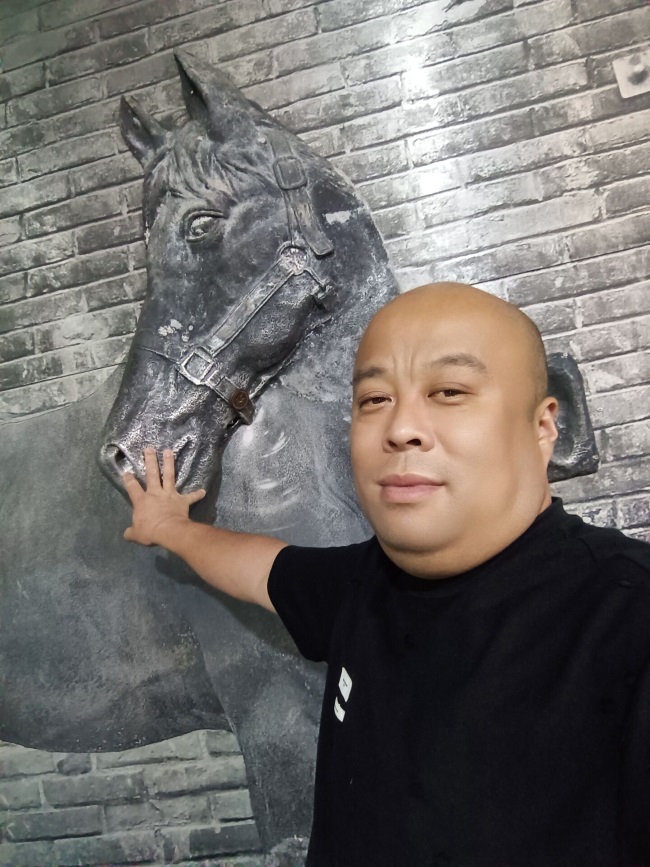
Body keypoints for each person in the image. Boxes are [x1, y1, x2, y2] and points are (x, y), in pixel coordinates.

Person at [123, 282, 650, 867]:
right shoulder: (362, 586)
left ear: (543, 427)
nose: (400, 428)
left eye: (448, 391)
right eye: (374, 399)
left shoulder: (627, 617)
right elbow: (259, 568)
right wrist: (169, 526)